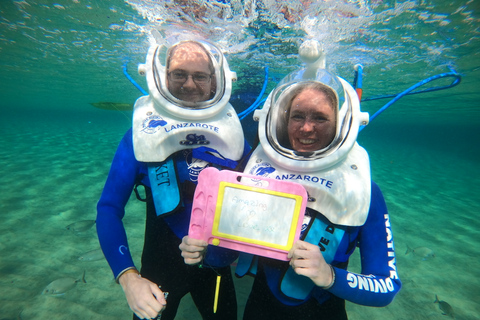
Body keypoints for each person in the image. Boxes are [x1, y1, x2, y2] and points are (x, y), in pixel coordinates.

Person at [180, 44, 401, 319]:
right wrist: (203, 251)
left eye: (320, 118)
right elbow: (222, 256)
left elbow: (386, 286)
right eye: (297, 116)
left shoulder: (363, 191)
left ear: (341, 124)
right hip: (259, 309)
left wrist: (330, 275)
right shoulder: (257, 173)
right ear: (283, 121)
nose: (306, 128)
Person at [96, 39, 248, 320]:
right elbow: (108, 208)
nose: (189, 84)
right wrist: (128, 278)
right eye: (179, 74)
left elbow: (254, 209)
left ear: (216, 82)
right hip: (156, 275)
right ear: (162, 78)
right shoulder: (140, 136)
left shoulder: (234, 139)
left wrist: (226, 253)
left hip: (215, 269)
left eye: (200, 76)